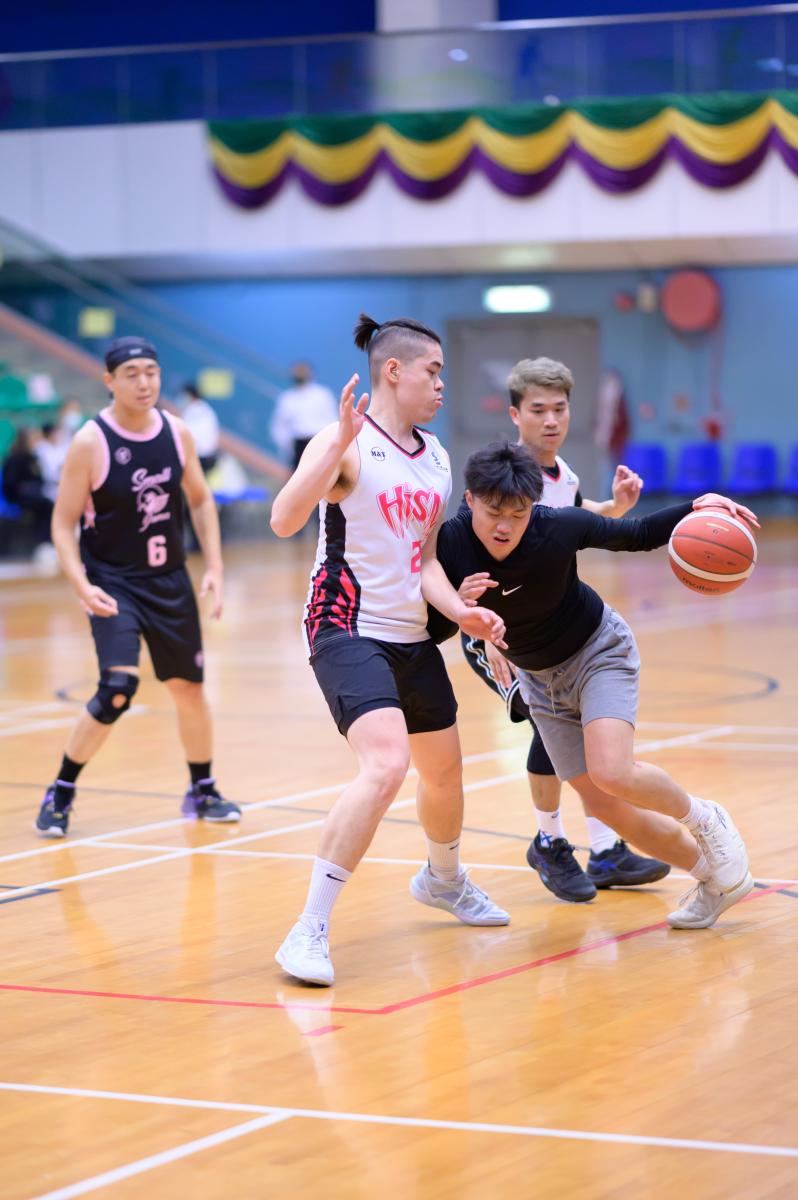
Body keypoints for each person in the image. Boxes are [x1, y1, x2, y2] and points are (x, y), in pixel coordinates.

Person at [427, 442, 757, 930]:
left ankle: (707, 818)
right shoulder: (450, 544)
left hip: (598, 652)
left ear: (534, 507)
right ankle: (714, 880)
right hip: (540, 683)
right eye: (494, 512)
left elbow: (638, 534)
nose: (505, 526)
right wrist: (458, 606)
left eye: (518, 514)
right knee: (609, 809)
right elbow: (433, 628)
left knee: (613, 770)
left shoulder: (557, 527)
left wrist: (696, 506)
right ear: (470, 499)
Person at [270, 315, 508, 987]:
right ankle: (308, 928)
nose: (441, 384)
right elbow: (283, 520)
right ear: (393, 371)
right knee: (385, 764)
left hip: (409, 632)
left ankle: (444, 879)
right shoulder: (343, 440)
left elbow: (423, 560)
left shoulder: (435, 458)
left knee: (445, 772)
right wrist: (334, 448)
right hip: (344, 624)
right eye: (433, 371)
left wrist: (460, 612)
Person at [457, 356, 666, 903]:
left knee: (578, 729)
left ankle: (604, 849)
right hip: (496, 632)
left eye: (559, 408)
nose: (550, 420)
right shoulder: (503, 477)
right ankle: (549, 840)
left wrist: (615, 507)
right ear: (515, 415)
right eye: (538, 410)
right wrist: (489, 638)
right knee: (547, 726)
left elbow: (574, 518)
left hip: (547, 623)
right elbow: (466, 552)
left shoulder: (561, 474)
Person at [35, 336, 240, 837]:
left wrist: (214, 565)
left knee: (189, 689)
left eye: (151, 371)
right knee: (117, 689)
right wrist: (80, 583)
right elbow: (62, 523)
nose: (144, 382)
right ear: (109, 381)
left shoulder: (176, 431)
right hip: (113, 581)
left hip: (169, 580)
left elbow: (200, 500)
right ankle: (61, 789)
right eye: (132, 374)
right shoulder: (91, 441)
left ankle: (202, 789)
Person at [269, 362, 338, 470]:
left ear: (310, 373)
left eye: (302, 371)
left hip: (318, 442)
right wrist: (289, 446)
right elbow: (279, 426)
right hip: (298, 445)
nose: (299, 374)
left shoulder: (323, 395)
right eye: (297, 371)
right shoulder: (287, 398)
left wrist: (326, 444)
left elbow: (332, 421)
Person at [2, 426, 53, 547]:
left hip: (34, 494)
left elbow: (40, 479)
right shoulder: (14, 459)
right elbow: (10, 484)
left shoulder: (33, 458)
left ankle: (45, 541)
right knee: (46, 505)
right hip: (17, 497)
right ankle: (43, 542)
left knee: (48, 502)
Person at [179, 382, 220, 475]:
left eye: (184, 395)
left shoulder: (193, 411)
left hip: (200, 458)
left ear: (190, 396)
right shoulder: (206, 409)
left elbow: (187, 435)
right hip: (207, 456)